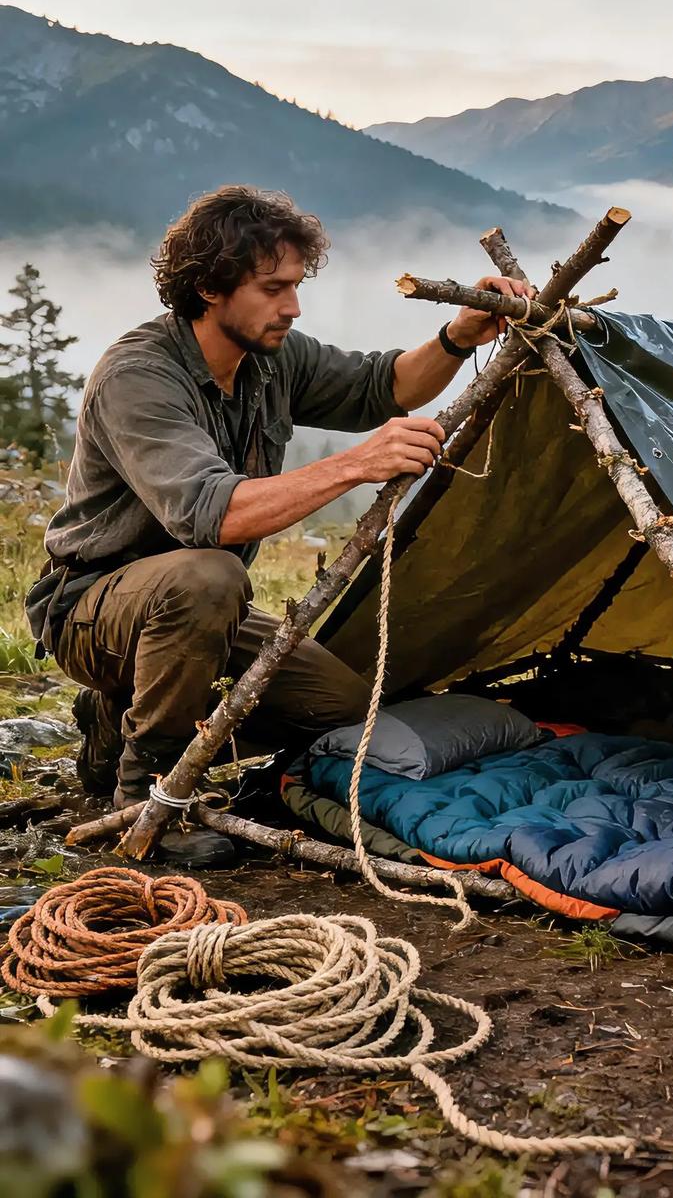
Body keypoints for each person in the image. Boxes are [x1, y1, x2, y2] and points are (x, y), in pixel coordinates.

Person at [25, 185, 533, 864]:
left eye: (295, 285)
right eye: (272, 288)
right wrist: (356, 465)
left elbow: (385, 386)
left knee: (337, 705)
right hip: (92, 610)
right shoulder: (138, 375)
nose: (291, 306)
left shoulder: (270, 358)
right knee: (208, 575)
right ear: (208, 286)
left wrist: (455, 335)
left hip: (198, 607)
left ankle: (125, 726)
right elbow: (213, 516)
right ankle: (146, 798)